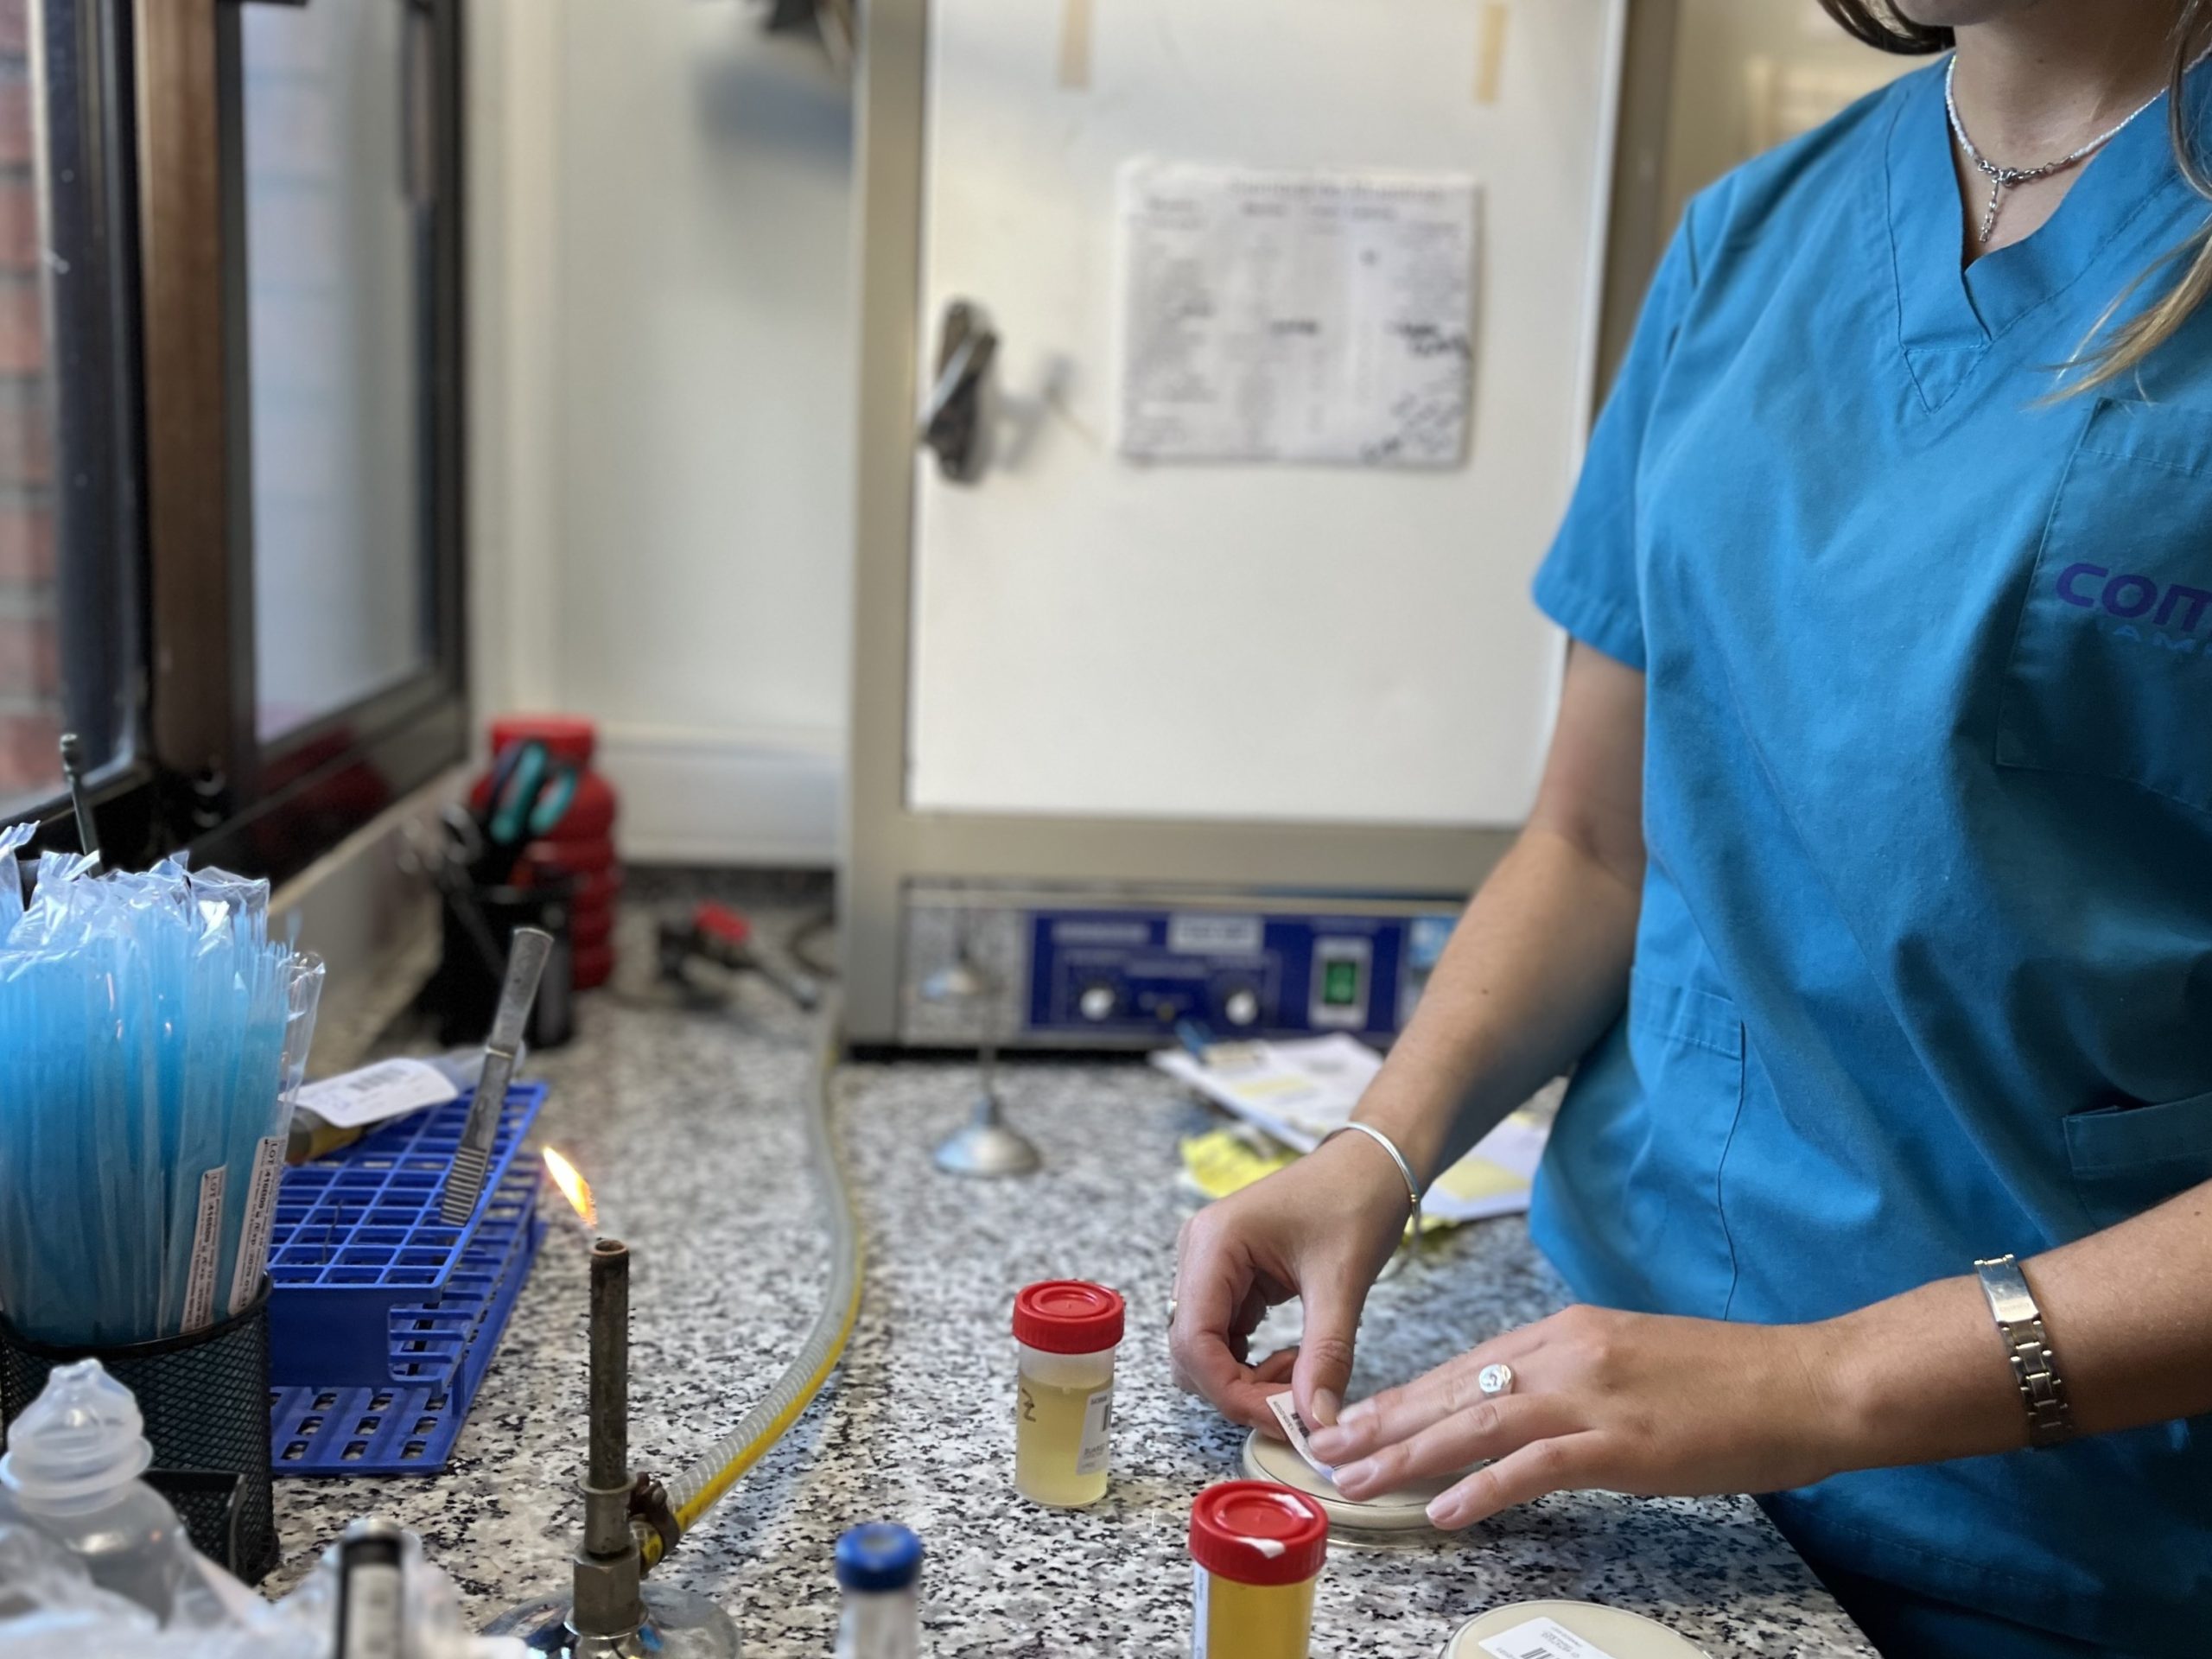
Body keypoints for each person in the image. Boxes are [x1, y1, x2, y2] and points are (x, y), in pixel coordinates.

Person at [1166, 3, 2212, 1655]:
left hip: (2036, 1527)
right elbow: (1597, 843)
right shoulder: (1755, 240)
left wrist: (1819, 1381)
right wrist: (1381, 1148)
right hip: (1594, 1420)